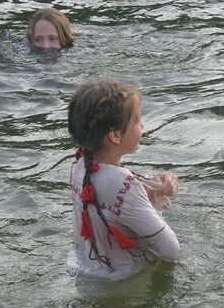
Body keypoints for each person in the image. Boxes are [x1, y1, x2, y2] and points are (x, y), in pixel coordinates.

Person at [67, 80, 180, 279]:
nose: (142, 126)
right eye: (137, 121)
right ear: (115, 135)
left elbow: (109, 198)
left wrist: (149, 187)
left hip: (84, 268)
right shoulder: (126, 187)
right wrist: (155, 205)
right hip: (123, 281)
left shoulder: (79, 166)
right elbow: (170, 250)